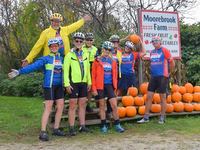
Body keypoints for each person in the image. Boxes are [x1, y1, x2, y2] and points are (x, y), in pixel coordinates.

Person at [8, 38, 65, 141]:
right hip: (49, 86)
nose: (54, 47)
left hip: (59, 86)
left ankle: (56, 129)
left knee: (60, 106)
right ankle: (43, 132)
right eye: (52, 46)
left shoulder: (62, 59)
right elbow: (33, 67)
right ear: (49, 48)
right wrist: (19, 72)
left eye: (56, 46)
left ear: (58, 47)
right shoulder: (45, 59)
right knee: (48, 107)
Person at [22, 13, 91, 66]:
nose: (56, 23)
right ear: (51, 21)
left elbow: (75, 25)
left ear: (60, 22)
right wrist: (28, 59)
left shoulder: (64, 30)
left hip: (64, 59)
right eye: (54, 21)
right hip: (50, 60)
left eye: (58, 21)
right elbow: (37, 47)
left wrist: (83, 20)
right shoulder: (45, 33)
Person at [137, 36, 175, 124]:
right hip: (153, 77)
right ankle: (146, 117)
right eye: (153, 42)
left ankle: (162, 117)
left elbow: (171, 62)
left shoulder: (164, 50)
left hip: (162, 76)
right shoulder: (152, 52)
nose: (154, 43)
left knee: (162, 98)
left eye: (156, 41)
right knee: (149, 96)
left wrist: (169, 73)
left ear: (160, 42)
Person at [92, 41, 125, 133]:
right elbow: (93, 76)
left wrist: (115, 87)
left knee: (114, 105)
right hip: (100, 85)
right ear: (102, 49)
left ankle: (117, 124)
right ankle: (103, 125)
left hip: (109, 85)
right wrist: (94, 88)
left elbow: (115, 76)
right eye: (106, 49)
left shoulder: (113, 61)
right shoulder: (97, 61)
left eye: (109, 49)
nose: (107, 51)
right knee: (102, 106)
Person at [64, 32, 91, 136]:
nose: (79, 42)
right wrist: (66, 84)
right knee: (72, 106)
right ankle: (71, 128)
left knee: (82, 105)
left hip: (83, 83)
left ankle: (82, 126)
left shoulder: (85, 54)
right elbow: (65, 71)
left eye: (81, 41)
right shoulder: (69, 55)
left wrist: (89, 82)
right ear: (73, 41)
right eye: (77, 41)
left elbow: (88, 69)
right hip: (73, 83)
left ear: (83, 42)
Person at [82, 32, 98, 112]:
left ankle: (87, 105)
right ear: (85, 40)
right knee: (83, 88)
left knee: (90, 89)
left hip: (92, 69)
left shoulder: (95, 49)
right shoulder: (81, 47)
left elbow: (97, 60)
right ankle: (81, 105)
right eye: (87, 40)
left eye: (90, 40)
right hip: (83, 68)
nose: (89, 41)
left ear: (93, 41)